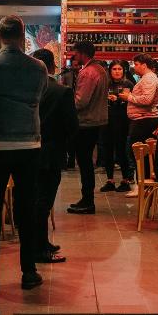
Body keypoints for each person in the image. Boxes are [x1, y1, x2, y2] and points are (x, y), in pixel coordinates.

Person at [0, 16, 48, 291]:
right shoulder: (39, 68)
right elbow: (39, 97)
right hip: (29, 144)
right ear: (22, 37)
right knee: (27, 209)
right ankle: (28, 271)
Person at [30, 49, 78, 264]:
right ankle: (39, 249)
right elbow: (72, 126)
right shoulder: (61, 91)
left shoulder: (27, 89)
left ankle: (41, 243)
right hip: (51, 151)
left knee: (36, 201)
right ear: (51, 66)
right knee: (43, 202)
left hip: (29, 150)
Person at [67, 41, 109, 214]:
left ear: (82, 53)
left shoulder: (88, 72)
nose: (74, 55)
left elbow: (81, 101)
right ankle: (87, 199)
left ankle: (87, 201)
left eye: (75, 52)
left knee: (84, 162)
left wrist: (66, 104)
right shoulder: (100, 70)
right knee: (86, 162)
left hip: (86, 122)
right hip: (97, 120)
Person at [119, 54, 158, 194]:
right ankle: (142, 185)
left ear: (144, 65)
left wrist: (128, 97)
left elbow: (147, 100)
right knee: (137, 154)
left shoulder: (149, 78)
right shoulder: (146, 78)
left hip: (145, 121)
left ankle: (143, 186)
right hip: (142, 120)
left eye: (136, 64)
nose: (134, 66)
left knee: (140, 154)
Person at [99, 61, 134, 193]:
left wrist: (118, 99)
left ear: (123, 71)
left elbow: (129, 100)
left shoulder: (127, 83)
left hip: (122, 120)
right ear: (110, 70)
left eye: (119, 69)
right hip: (106, 119)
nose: (117, 71)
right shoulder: (105, 83)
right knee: (107, 150)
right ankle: (110, 180)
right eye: (114, 69)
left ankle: (125, 180)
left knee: (121, 150)